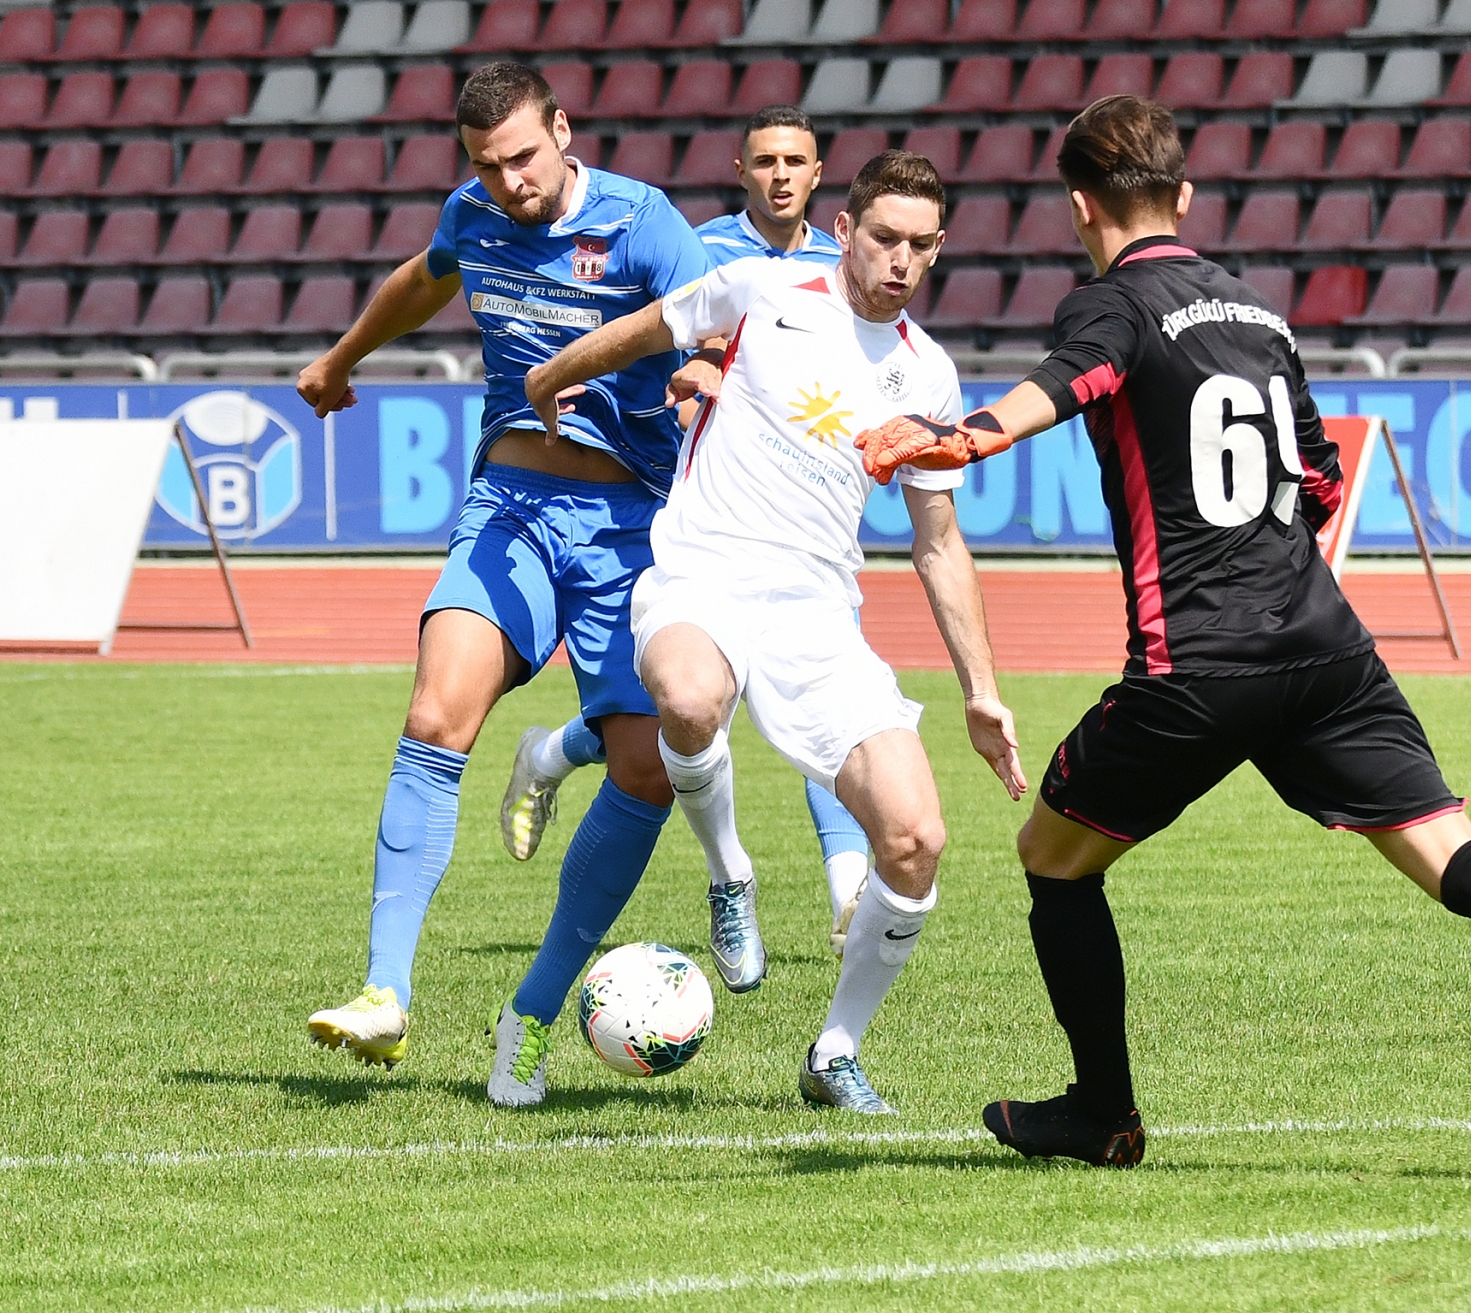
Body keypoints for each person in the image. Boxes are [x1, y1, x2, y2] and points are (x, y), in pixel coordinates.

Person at [856, 95, 1471, 1165]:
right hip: (1325, 648)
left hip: (1197, 662)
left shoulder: (1111, 304)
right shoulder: (1257, 311)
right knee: (1450, 848)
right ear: (1184, 196)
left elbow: (1062, 387)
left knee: (1053, 855)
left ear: (1079, 206)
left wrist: (957, 439)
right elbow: (1319, 480)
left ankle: (1104, 1111)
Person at [511, 150, 1025, 1113]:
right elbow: (647, 328)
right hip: (702, 573)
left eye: (921, 246)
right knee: (688, 698)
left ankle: (835, 1051)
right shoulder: (761, 288)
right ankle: (729, 873)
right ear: (846, 231)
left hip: (819, 617)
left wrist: (981, 692)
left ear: (939, 248)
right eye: (885, 238)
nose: (901, 261)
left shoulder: (929, 374)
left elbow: (939, 542)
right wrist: (549, 375)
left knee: (916, 839)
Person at [298, 62, 708, 1076]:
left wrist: (701, 376)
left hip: (631, 528)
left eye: (523, 156)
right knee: (435, 715)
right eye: (487, 164)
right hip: (511, 505)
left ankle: (531, 1010)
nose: (509, 181)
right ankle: (384, 993)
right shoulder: (473, 213)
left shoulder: (644, 222)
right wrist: (343, 358)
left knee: (645, 768)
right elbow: (422, 277)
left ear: (563, 130)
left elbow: (716, 326)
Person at [501, 106, 874, 966]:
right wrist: (688, 378)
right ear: (741, 170)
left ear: (820, 175)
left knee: (825, 702)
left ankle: (849, 890)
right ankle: (557, 752)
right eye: (765, 160)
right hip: (705, 513)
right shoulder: (698, 251)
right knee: (694, 708)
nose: (781, 174)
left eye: (796, 161)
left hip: (805, 525)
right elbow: (657, 351)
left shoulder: (846, 267)